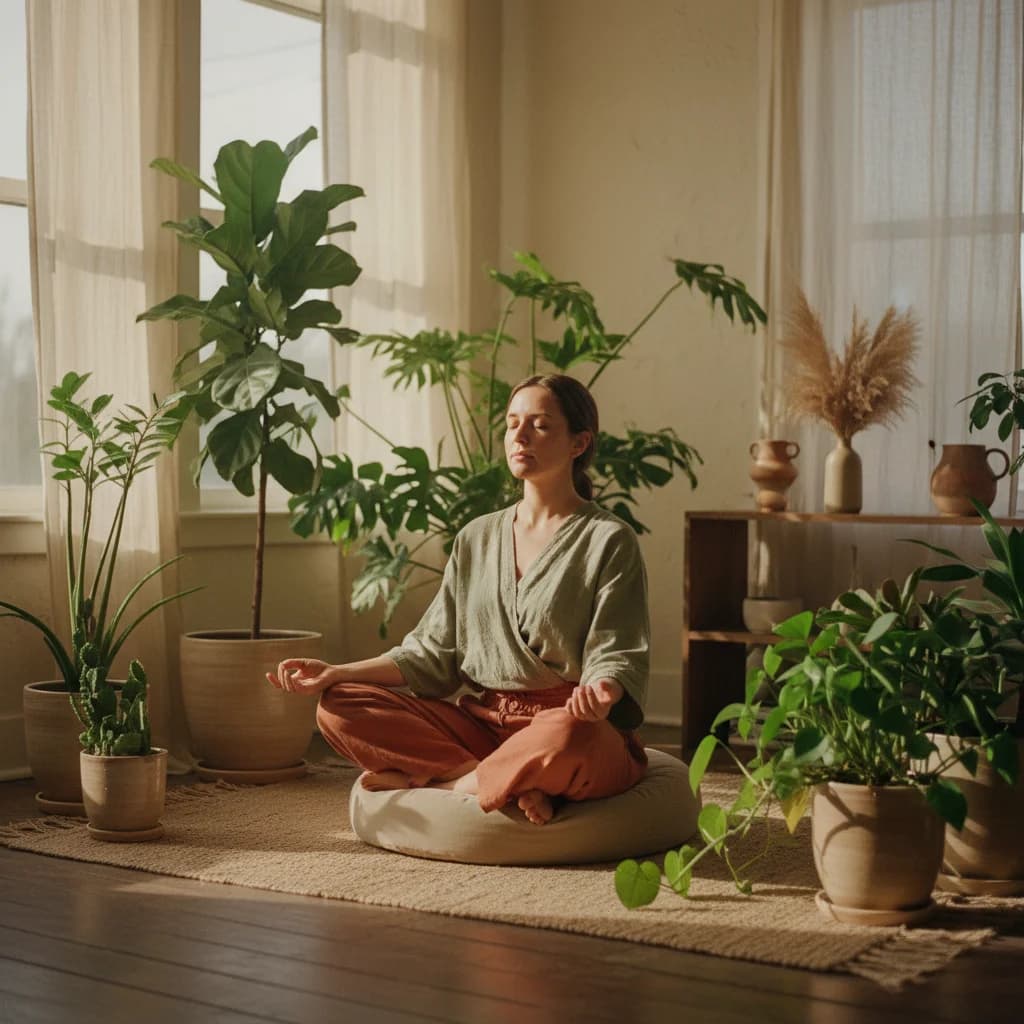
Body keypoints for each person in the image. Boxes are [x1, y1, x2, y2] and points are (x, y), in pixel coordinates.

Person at [267, 373, 650, 826]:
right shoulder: (476, 538)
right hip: (484, 726)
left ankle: (451, 786)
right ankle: (502, 779)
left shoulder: (609, 539)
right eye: (512, 424)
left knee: (570, 735)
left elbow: (615, 650)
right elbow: (431, 653)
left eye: (541, 425)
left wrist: (603, 693)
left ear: (579, 443)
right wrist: (336, 672)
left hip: (565, 722)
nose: (520, 436)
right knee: (338, 705)